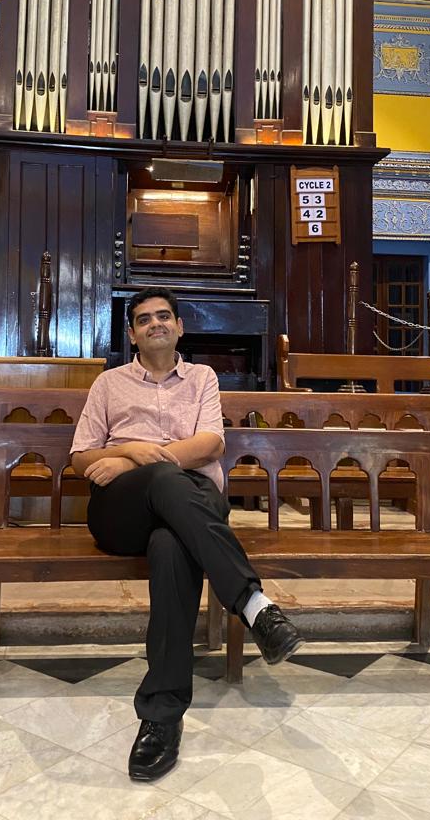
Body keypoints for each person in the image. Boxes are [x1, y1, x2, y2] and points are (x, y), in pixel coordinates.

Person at [70, 286, 303, 782]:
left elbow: (211, 442)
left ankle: (160, 718)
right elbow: (82, 458)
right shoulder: (108, 385)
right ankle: (253, 604)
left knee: (172, 547)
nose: (155, 323)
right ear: (132, 333)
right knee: (163, 482)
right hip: (121, 511)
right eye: (144, 318)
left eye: (163, 316)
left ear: (179, 327)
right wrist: (133, 456)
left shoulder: (202, 378)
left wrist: (140, 455)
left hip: (188, 507)